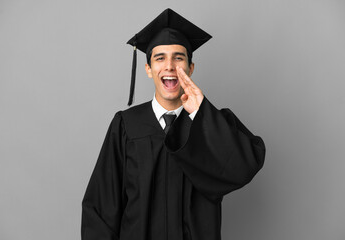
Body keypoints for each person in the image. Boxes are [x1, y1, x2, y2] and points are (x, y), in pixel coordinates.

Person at [81, 8, 265, 240]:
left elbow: (243, 167)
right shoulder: (126, 126)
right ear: (148, 69)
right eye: (160, 58)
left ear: (190, 68)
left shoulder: (211, 123)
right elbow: (100, 209)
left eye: (178, 57)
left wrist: (201, 113)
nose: (169, 66)